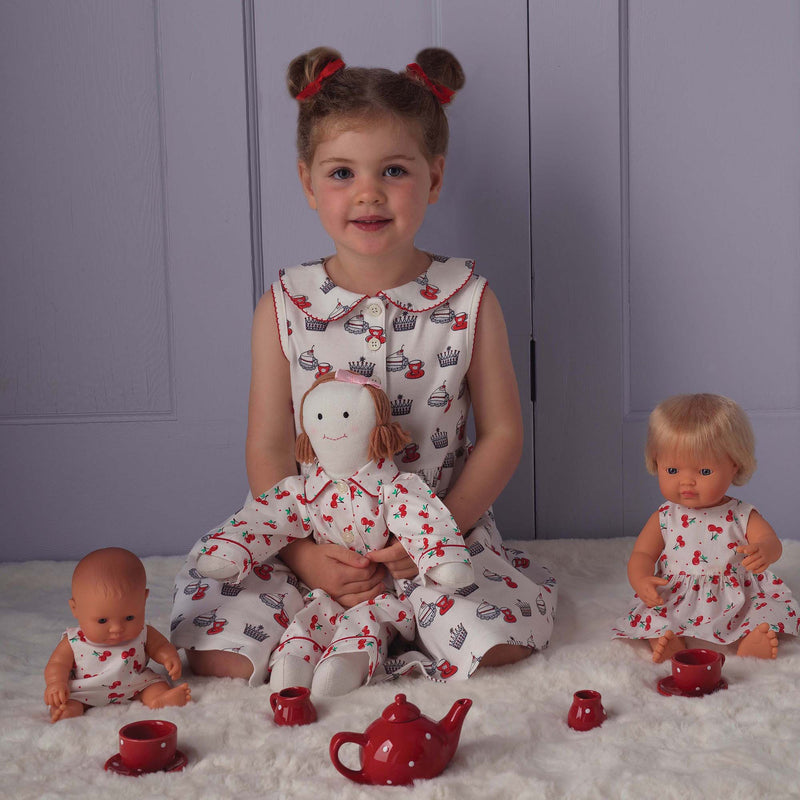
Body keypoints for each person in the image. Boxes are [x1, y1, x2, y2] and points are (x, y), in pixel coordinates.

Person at [170, 46, 557, 686]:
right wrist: (303, 554)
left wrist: (436, 538)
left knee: (496, 648)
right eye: (342, 172)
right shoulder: (284, 305)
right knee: (218, 655)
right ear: (308, 182)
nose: (369, 193)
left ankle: (394, 628)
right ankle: (326, 614)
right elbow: (268, 444)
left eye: (395, 171)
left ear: (434, 178)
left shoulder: (468, 299)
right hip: (308, 531)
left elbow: (504, 434)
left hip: (430, 536)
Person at [194, 370, 475, 695]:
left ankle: (348, 662)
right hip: (314, 576)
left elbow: (420, 516)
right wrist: (234, 549)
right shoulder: (304, 490)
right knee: (309, 617)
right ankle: (292, 661)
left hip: (382, 586)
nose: (331, 429)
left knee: (372, 619)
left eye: (343, 416)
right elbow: (266, 517)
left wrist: (438, 555)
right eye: (320, 419)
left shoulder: (391, 488)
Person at [612, 393, 800, 662]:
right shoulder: (665, 516)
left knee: (764, 610)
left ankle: (752, 639)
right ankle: (667, 640)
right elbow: (642, 555)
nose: (686, 482)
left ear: (734, 465)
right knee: (652, 615)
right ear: (656, 463)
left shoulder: (740, 513)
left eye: (704, 472)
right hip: (678, 594)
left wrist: (765, 550)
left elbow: (770, 540)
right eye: (673, 471)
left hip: (736, 595)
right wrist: (641, 580)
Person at [44, 547, 191, 722]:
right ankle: (66, 710)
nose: (116, 629)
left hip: (135, 683)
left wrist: (169, 657)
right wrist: (56, 683)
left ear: (143, 600)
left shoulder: (144, 632)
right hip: (87, 690)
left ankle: (159, 699)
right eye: (102, 621)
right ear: (75, 609)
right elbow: (58, 664)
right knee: (72, 700)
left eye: (129, 617)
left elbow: (160, 646)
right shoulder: (74, 641)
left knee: (155, 685)